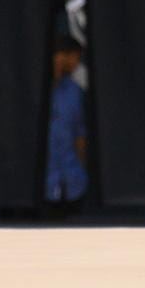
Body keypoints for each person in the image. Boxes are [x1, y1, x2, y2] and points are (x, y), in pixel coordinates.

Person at [43, 35, 88, 218]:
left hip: (72, 183)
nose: (77, 64)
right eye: (75, 57)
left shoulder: (73, 91)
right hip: (43, 186)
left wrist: (81, 167)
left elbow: (79, 134)